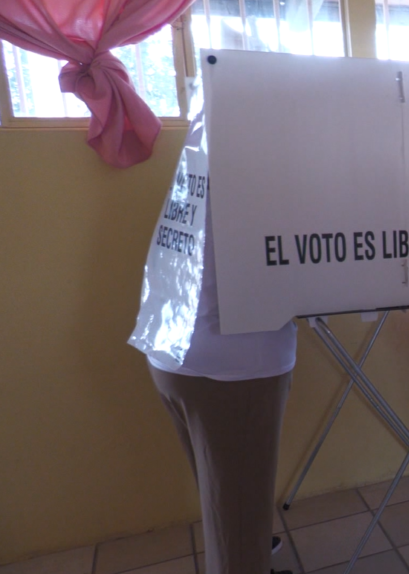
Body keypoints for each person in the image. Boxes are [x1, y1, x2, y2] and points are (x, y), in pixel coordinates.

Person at [139, 109, 298, 574]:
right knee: (237, 532)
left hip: (173, 347)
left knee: (227, 504)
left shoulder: (206, 135)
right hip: (233, 368)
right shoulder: (257, 156)